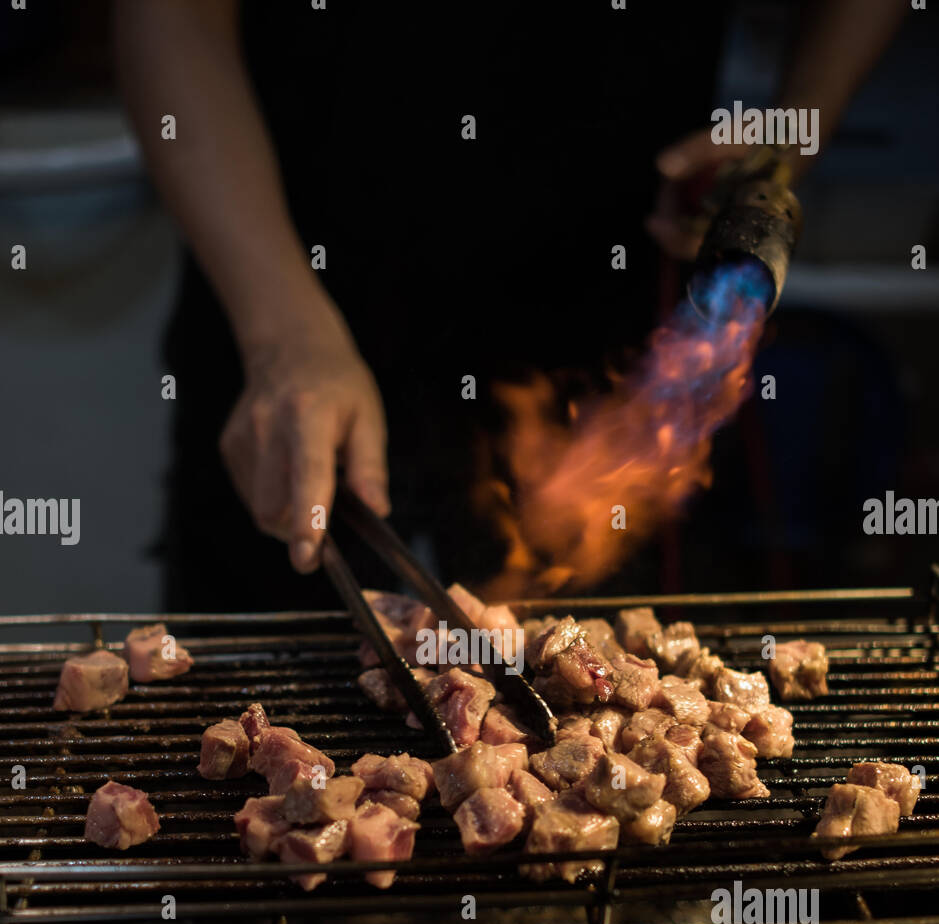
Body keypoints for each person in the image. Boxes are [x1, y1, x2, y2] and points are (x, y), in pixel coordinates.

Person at [114, 0, 907, 609]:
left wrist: (794, 125)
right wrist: (281, 333)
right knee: (268, 674)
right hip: (290, 281)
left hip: (598, 322)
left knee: (592, 716)